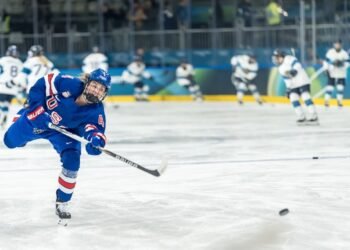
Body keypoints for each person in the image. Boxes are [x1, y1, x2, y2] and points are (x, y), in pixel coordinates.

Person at [3, 68, 111, 224]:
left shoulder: (96, 112)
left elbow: (94, 131)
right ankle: (22, 114)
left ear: (104, 94)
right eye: (95, 85)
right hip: (38, 119)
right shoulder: (69, 83)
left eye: (101, 89)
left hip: (62, 132)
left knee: (72, 160)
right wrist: (35, 110)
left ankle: (63, 202)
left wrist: (95, 142)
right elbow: (43, 83)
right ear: (87, 83)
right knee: (9, 142)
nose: (97, 91)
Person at [272, 49, 318, 124]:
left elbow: (297, 65)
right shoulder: (280, 68)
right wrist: (288, 89)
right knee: (293, 98)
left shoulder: (289, 58)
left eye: (277, 57)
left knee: (305, 97)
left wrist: (294, 70)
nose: (276, 59)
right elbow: (287, 80)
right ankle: (301, 117)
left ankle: (314, 116)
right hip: (293, 85)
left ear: (281, 56)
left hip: (302, 81)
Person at [0, 45, 23, 128]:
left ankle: (2, 117)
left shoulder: (3, 60)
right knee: (6, 104)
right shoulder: (20, 62)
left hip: (2, 85)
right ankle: (4, 117)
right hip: (13, 88)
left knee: (2, 104)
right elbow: (22, 76)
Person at [324, 40, 349, 107]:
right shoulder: (330, 52)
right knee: (330, 87)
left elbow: (348, 63)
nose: (337, 45)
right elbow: (326, 61)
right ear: (334, 45)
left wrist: (341, 64)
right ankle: (326, 101)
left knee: (340, 87)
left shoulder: (344, 53)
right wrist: (326, 69)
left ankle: (339, 102)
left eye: (339, 44)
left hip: (341, 73)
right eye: (336, 44)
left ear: (341, 45)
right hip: (332, 72)